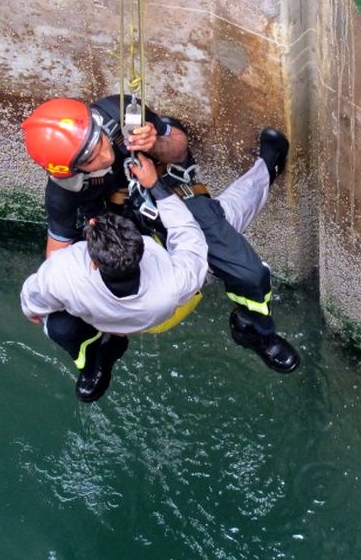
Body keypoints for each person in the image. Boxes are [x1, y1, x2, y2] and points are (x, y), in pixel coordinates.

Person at [20, 94, 300, 374]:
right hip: (119, 227)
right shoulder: (65, 190)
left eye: (100, 142)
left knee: (248, 270)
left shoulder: (120, 113)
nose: (105, 155)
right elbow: (57, 252)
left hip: (164, 194)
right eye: (92, 159)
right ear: (72, 170)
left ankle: (255, 330)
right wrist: (61, 287)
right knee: (60, 325)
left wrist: (155, 144)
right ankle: (98, 357)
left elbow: (178, 150)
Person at [20, 154, 208, 402]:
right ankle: (108, 351)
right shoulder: (173, 281)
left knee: (58, 327)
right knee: (109, 326)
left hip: (107, 313)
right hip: (147, 317)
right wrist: (157, 188)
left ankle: (100, 357)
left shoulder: (64, 273)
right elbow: (191, 239)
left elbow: (33, 298)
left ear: (94, 263)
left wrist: (31, 310)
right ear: (141, 248)